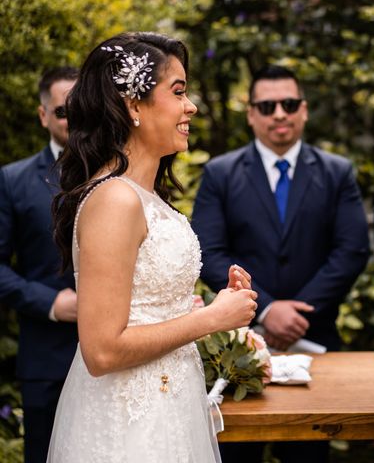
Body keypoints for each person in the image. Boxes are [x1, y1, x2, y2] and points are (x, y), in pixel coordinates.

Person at [46, 32, 258, 462]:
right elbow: (102, 350)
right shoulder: (115, 199)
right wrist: (212, 320)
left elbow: (143, 307)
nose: (191, 106)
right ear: (132, 104)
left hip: (169, 406)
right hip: (129, 422)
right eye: (178, 92)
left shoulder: (145, 197)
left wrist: (195, 308)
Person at [191, 64, 369, 463]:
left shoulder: (336, 172)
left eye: (288, 103)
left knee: (308, 454)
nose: (279, 114)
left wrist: (298, 311)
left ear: (303, 109)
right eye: (267, 105)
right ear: (251, 113)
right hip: (236, 347)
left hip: (317, 339)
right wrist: (267, 309)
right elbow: (209, 252)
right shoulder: (220, 174)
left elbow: (351, 250)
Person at [0, 66, 78, 463]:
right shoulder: (12, 180)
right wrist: (50, 303)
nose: (74, 118)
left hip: (120, 360)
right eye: (64, 111)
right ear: (43, 115)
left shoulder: (125, 173)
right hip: (47, 359)